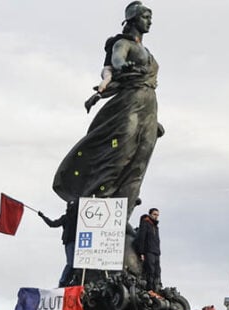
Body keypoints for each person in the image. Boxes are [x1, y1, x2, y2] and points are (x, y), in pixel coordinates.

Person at [53, 1, 162, 220]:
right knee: (119, 155)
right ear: (132, 18)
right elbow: (116, 60)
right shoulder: (122, 43)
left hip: (149, 106)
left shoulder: (147, 51)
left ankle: (123, 218)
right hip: (130, 103)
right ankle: (99, 207)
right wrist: (123, 67)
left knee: (139, 164)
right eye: (146, 16)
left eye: (150, 17)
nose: (150, 21)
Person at [38, 200, 79, 287]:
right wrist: (43, 217)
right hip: (70, 242)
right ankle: (63, 281)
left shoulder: (78, 217)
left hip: (80, 243)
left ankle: (69, 280)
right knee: (71, 263)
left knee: (76, 264)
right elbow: (52, 224)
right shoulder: (66, 218)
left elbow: (53, 224)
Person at [135, 208, 161, 292]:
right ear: (150, 214)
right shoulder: (145, 223)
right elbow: (142, 238)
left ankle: (156, 289)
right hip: (148, 251)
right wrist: (141, 252)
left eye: (157, 215)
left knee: (157, 272)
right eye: (154, 214)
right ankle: (150, 289)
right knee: (150, 270)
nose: (156, 216)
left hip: (156, 252)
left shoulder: (155, 226)